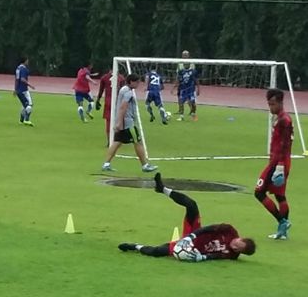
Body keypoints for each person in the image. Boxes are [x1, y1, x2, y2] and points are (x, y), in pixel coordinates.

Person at [118, 173, 256, 261]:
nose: (235, 248)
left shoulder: (232, 255)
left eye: (239, 250)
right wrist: (191, 236)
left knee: (158, 251)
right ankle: (163, 189)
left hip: (192, 250)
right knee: (191, 205)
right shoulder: (229, 230)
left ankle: (134, 246)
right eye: (238, 245)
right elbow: (208, 229)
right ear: (240, 238)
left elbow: (216, 256)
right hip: (195, 234)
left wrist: (202, 257)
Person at [255, 88, 293, 239]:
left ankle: (282, 221)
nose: (270, 108)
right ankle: (282, 232)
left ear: (280, 103)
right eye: (269, 104)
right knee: (280, 196)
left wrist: (280, 165)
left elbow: (285, 144)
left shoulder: (285, 120)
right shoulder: (280, 117)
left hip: (278, 162)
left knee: (258, 192)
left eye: (273, 104)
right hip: (279, 161)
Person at [102, 73, 158, 172]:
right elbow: (123, 107)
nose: (138, 84)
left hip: (122, 122)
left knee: (117, 143)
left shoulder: (123, 90)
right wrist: (119, 122)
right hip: (128, 123)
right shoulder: (128, 92)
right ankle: (145, 165)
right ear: (131, 82)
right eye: (137, 82)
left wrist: (118, 122)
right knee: (138, 142)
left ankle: (106, 164)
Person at [95, 68, 126, 145]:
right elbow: (124, 91)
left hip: (108, 102)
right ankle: (118, 140)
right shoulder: (121, 78)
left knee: (108, 122)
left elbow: (101, 90)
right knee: (119, 121)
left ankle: (109, 141)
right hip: (118, 102)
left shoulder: (105, 77)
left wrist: (98, 100)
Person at [172, 50, 199, 121]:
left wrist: (198, 88)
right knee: (181, 101)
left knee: (193, 102)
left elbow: (196, 78)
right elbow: (178, 77)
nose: (185, 56)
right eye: (184, 55)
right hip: (182, 88)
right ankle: (181, 116)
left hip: (191, 88)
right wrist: (174, 86)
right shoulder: (180, 67)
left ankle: (193, 114)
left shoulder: (192, 67)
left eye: (186, 55)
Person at [14, 57, 36, 126]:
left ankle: (21, 120)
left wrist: (15, 89)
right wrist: (30, 85)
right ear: (25, 61)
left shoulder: (18, 68)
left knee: (25, 105)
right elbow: (22, 79)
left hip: (20, 90)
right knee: (29, 106)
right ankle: (27, 120)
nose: (28, 62)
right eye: (27, 61)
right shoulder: (23, 69)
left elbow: (17, 80)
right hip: (23, 90)